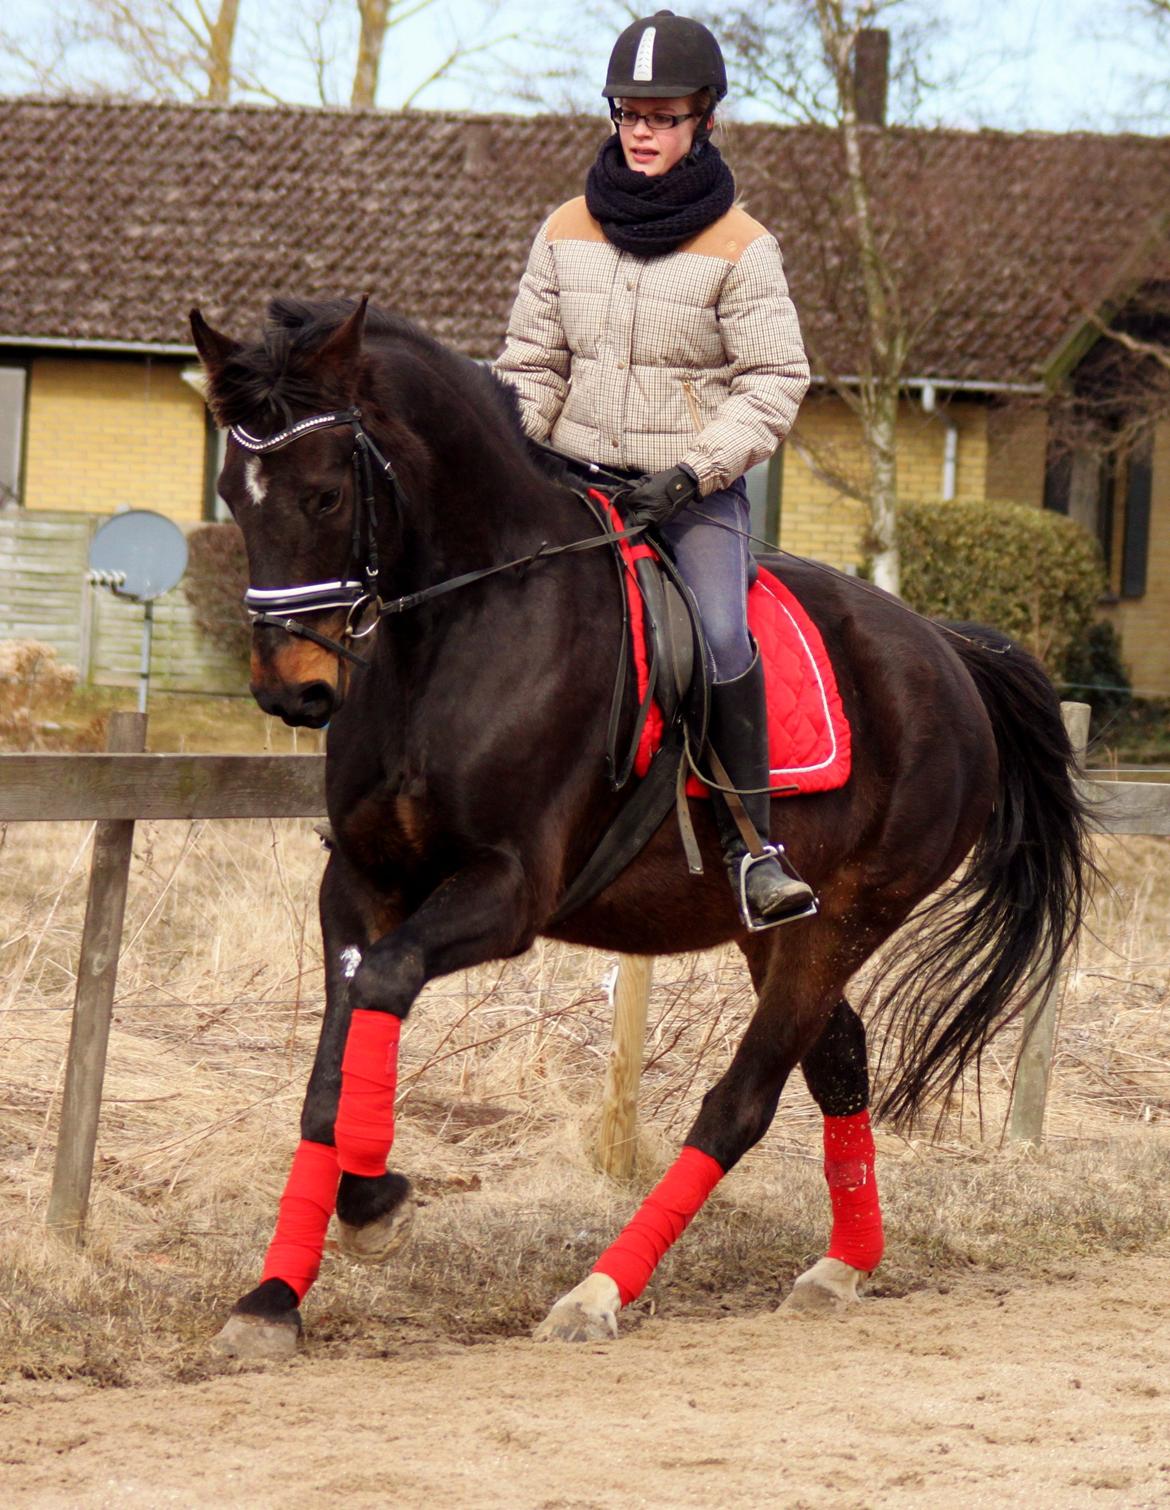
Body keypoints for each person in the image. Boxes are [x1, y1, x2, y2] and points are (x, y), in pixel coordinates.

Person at [495, 10, 815, 928]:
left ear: (703, 120)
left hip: (687, 497)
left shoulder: (744, 247)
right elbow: (530, 366)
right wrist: (520, 460)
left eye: (662, 116)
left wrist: (692, 471)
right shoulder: (563, 229)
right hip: (567, 479)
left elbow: (773, 384)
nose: (642, 131)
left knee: (718, 633)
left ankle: (756, 851)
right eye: (628, 113)